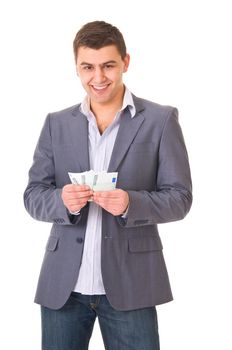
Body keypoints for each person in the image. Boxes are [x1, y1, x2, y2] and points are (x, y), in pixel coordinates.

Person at [24, 20, 192, 350]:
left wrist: (131, 203)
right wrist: (63, 201)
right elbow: (33, 195)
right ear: (76, 67)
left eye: (108, 66)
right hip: (63, 288)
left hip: (132, 284)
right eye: (88, 67)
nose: (98, 78)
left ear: (125, 63)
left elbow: (180, 197)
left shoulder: (160, 120)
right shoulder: (56, 124)